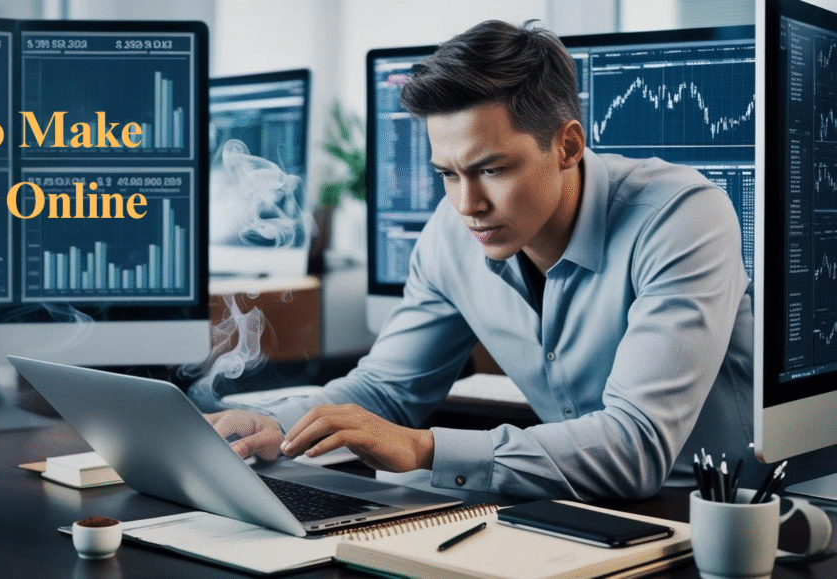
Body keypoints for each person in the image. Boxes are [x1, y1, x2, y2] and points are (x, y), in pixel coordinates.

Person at [207, 19, 754, 501]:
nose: (467, 205)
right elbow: (385, 391)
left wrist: (424, 448)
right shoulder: (452, 234)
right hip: (570, 509)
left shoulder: (682, 216)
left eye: (492, 169)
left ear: (567, 146)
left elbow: (634, 448)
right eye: (448, 174)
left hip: (715, 517)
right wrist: (270, 423)